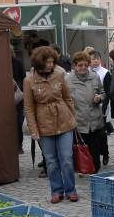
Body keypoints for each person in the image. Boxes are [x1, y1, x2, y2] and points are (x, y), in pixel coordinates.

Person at [24, 46, 78, 203]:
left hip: (64, 121)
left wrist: (72, 117)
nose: (51, 64)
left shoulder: (60, 74)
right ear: (39, 63)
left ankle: (71, 190)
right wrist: (33, 129)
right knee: (51, 161)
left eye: (52, 61)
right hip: (44, 125)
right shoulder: (29, 80)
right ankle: (56, 191)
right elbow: (28, 107)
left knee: (67, 158)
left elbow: (67, 97)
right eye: (48, 62)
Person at [67, 51, 106, 173]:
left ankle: (95, 173)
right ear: (74, 66)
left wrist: (100, 97)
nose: (83, 68)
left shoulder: (94, 76)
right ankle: (83, 169)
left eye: (85, 65)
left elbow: (103, 92)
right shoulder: (68, 80)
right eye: (80, 65)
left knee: (95, 155)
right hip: (78, 121)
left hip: (94, 121)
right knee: (81, 151)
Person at [89, 50, 112, 165]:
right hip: (89, 109)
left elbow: (108, 92)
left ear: (100, 60)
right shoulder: (87, 72)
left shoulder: (105, 73)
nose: (95, 61)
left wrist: (104, 109)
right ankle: (95, 155)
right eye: (92, 59)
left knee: (102, 134)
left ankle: (105, 153)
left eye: (97, 59)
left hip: (102, 108)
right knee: (93, 134)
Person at [12, 44, 26, 153]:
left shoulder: (18, 63)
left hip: (18, 95)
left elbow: (23, 78)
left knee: (18, 121)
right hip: (7, 96)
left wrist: (19, 88)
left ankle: (19, 144)